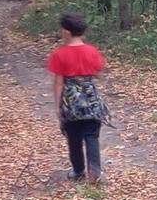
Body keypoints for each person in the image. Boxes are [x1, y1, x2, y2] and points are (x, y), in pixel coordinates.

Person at [47, 13, 110, 184]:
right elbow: (100, 75)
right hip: (90, 98)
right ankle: (95, 172)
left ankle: (78, 170)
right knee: (91, 135)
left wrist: (57, 106)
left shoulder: (59, 54)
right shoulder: (92, 51)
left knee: (73, 137)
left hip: (70, 100)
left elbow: (58, 82)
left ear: (66, 31)